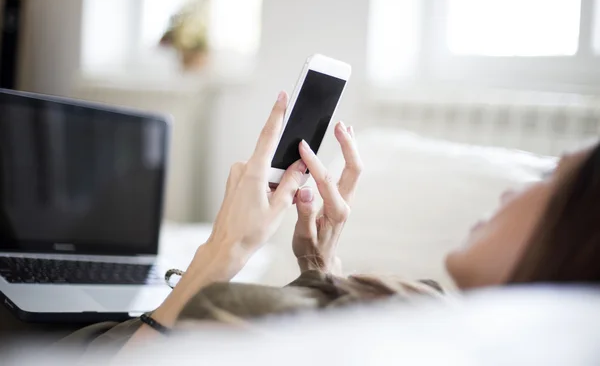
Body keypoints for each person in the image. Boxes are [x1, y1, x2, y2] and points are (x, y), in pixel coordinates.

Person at [3, 91, 600, 357]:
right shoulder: (442, 312)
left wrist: (222, 253)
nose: (513, 188)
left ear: (578, 242)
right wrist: (321, 268)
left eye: (549, 179)